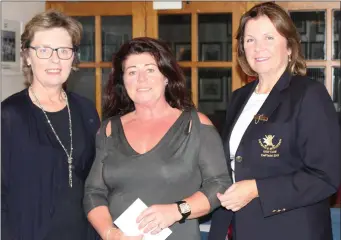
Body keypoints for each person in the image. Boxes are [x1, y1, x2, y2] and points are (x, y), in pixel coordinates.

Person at [208, 2, 340, 240]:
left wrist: (256, 188)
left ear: (289, 46)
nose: (258, 47)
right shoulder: (239, 98)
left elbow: (326, 177)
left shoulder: (309, 94)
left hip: (292, 230)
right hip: (240, 229)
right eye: (250, 40)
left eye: (269, 37)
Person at [83, 37, 231, 240]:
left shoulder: (195, 125)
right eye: (132, 72)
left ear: (166, 76)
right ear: (123, 81)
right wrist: (110, 234)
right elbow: (93, 192)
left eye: (150, 70)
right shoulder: (109, 129)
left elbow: (219, 185)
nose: (141, 79)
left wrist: (177, 211)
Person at [1, 10, 100, 240]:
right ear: (27, 56)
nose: (55, 60)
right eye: (44, 50)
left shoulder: (86, 110)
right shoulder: (8, 115)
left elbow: (96, 182)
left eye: (64, 51)